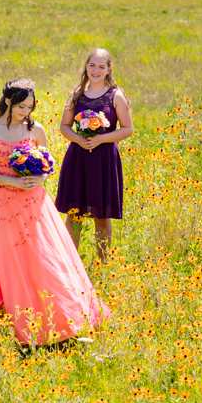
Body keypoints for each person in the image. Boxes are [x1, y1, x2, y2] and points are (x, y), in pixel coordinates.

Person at [0, 78, 111, 348]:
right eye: (22, 106)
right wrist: (12, 181)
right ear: (8, 101)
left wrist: (39, 179)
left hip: (34, 203)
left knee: (41, 257)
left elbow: (47, 166)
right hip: (3, 203)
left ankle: (61, 320)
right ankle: (15, 322)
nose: (26, 112)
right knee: (10, 261)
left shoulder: (36, 130)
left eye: (30, 107)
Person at [54, 49, 133, 262]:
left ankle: (103, 263)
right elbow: (64, 126)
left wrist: (100, 139)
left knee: (102, 216)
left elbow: (127, 129)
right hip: (78, 158)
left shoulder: (116, 95)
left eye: (101, 66)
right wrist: (79, 139)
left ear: (108, 69)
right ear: (86, 66)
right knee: (74, 214)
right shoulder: (77, 93)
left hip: (104, 159)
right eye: (92, 65)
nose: (96, 70)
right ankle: (70, 265)